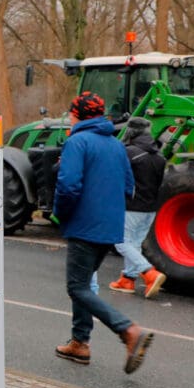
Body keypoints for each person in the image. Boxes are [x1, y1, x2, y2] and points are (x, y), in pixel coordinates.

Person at [52, 91, 153, 373]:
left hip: (84, 225)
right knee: (84, 284)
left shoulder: (77, 141)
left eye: (72, 112)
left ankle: (129, 331)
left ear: (78, 115)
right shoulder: (116, 145)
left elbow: (69, 185)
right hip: (110, 227)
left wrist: (61, 213)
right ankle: (79, 343)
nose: (70, 116)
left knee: (77, 287)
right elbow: (128, 187)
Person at [109, 116, 167, 298]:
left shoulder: (129, 153)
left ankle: (149, 273)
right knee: (134, 244)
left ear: (130, 132)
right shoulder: (159, 156)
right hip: (151, 208)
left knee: (121, 242)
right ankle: (127, 280)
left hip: (132, 206)